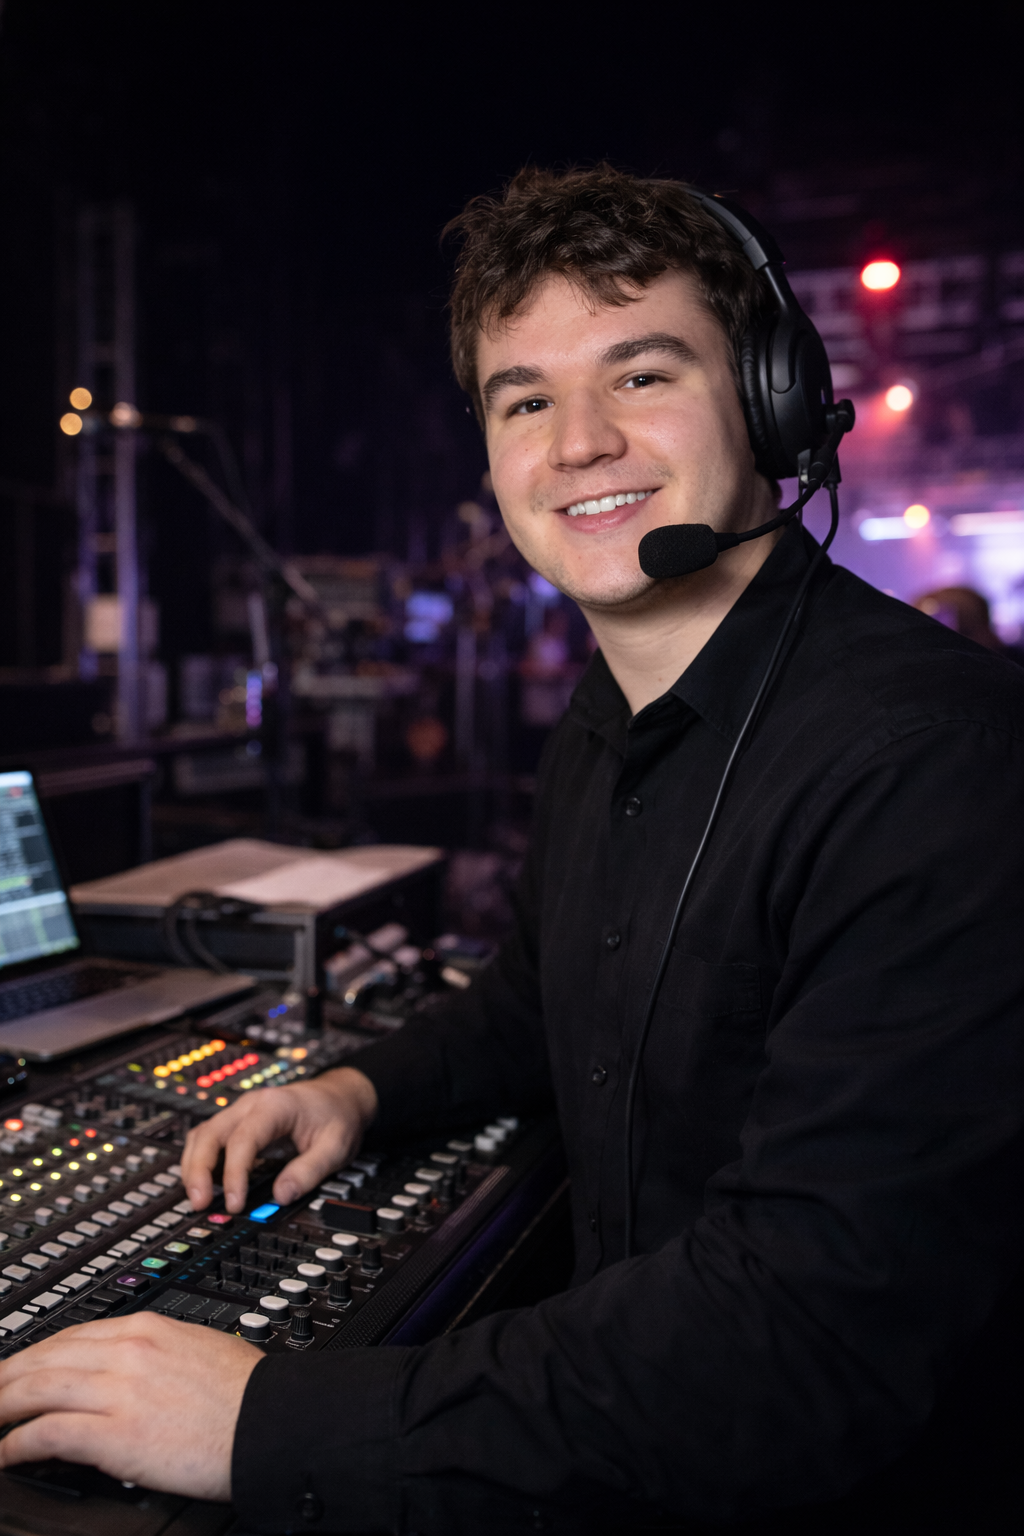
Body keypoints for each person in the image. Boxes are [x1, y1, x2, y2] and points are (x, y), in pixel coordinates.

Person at [1, 165, 1023, 1536]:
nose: (579, 441)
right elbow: (538, 999)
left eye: (642, 374)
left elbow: (810, 1334)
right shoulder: (610, 719)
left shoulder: (935, 764)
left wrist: (266, 1421)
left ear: (775, 401)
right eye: (525, 399)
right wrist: (362, 1090)